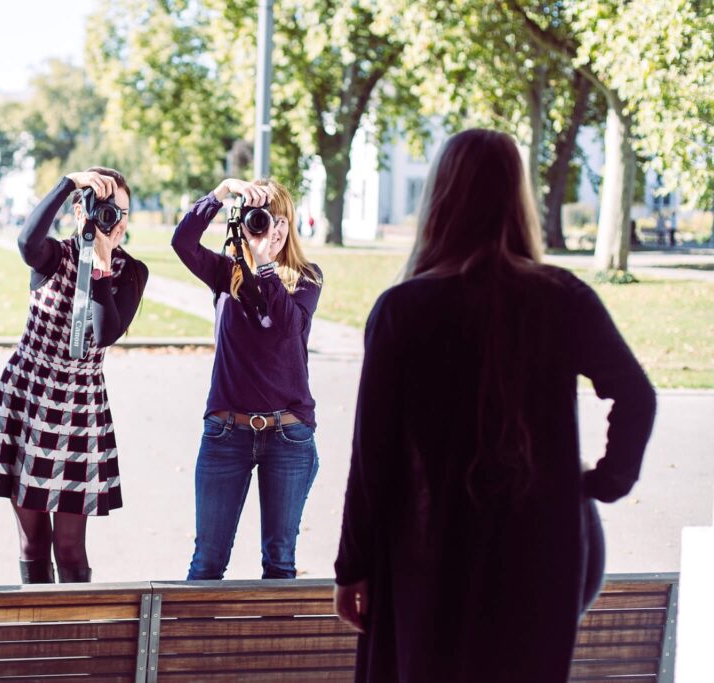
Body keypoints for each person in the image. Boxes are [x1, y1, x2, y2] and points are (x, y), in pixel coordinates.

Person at [333, 129, 657, 682]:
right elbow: (636, 394)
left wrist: (353, 567)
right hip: (543, 545)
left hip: (428, 551)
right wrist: (602, 483)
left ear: (439, 198)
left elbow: (373, 459)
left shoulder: (402, 310)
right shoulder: (563, 297)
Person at [0, 167, 148, 584]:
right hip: (28, 395)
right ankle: (38, 619)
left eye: (122, 212)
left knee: (69, 545)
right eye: (105, 209)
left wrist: (100, 265)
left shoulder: (131, 271)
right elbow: (26, 242)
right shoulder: (54, 256)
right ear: (82, 212)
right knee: (32, 542)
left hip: (80, 404)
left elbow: (105, 332)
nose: (115, 220)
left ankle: (73, 620)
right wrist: (69, 184)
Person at [172, 177, 323, 580]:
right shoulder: (225, 272)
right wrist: (221, 192)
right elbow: (182, 242)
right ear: (243, 223)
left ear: (288, 225)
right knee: (207, 562)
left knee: (280, 562)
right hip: (227, 433)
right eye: (261, 218)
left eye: (278, 219)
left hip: (288, 435)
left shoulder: (306, 277)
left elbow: (288, 326)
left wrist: (266, 266)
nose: (270, 228)